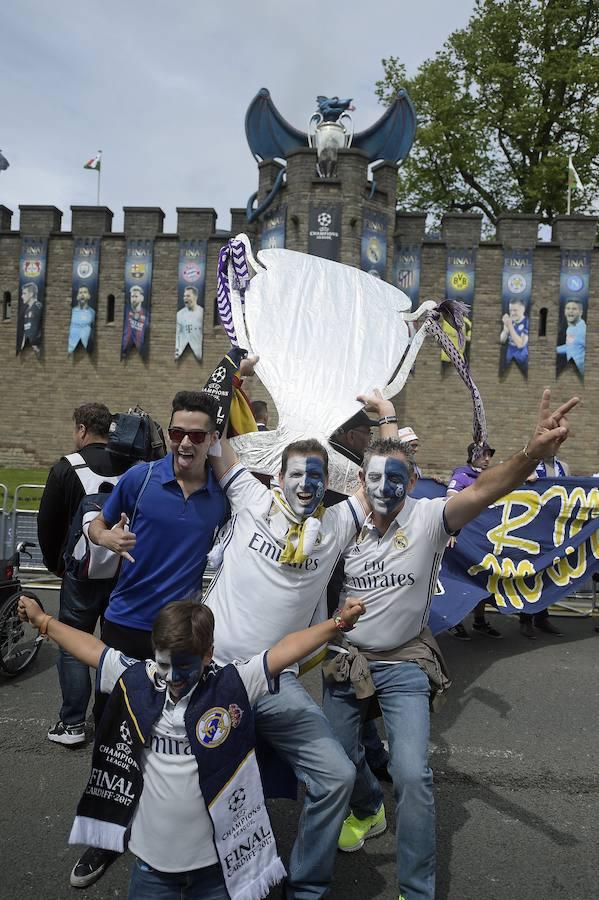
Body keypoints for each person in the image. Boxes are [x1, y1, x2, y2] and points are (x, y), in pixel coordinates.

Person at [322, 389, 578, 900]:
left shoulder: (429, 518)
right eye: (374, 480)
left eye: (398, 481)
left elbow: (483, 489)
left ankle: (415, 890)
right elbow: (384, 464)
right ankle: (369, 807)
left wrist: (530, 453)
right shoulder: (345, 519)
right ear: (360, 484)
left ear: (413, 485)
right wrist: (387, 419)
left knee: (414, 776)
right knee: (332, 761)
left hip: (405, 662)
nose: (385, 487)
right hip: (346, 662)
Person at [17, 592, 366, 900]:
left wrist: (338, 622)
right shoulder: (141, 678)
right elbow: (93, 649)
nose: (171, 678)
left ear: (208, 655)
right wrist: (43, 620)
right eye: (164, 663)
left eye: (183, 667)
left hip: (216, 871)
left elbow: (285, 650)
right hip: (151, 869)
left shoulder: (235, 684)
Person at [204, 393, 399, 900]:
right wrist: (231, 375)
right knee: (193, 781)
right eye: (297, 474)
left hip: (275, 682)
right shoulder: (250, 497)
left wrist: (386, 419)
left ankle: (306, 888)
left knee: (335, 775)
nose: (307, 484)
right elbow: (211, 433)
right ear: (278, 477)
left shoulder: (334, 526)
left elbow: (387, 480)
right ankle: (193, 872)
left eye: (316, 476)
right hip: (215, 677)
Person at [71, 390, 227, 888]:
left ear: (211, 440)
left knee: (168, 734)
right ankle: (106, 837)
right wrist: (106, 536)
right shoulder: (140, 479)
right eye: (176, 432)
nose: (183, 443)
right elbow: (94, 521)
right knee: (114, 735)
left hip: (175, 637)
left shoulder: (221, 499)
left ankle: (167, 828)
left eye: (195, 435)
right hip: (122, 623)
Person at [37, 403, 131, 746]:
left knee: (73, 643)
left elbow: (47, 522)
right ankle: (111, 721)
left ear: (81, 430)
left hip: (79, 572)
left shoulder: (66, 467)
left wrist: (55, 563)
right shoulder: (131, 466)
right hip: (124, 570)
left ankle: (72, 724)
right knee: (116, 646)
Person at [446, 442, 502, 640]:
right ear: (472, 456)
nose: (487, 459)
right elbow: (451, 500)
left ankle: (479, 621)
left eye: (489, 455)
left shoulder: (492, 476)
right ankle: (453, 622)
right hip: (465, 537)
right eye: (483, 455)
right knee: (462, 580)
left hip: (486, 538)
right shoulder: (462, 474)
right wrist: (452, 531)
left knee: (483, 580)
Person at [556, 299, 586, 373]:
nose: (570, 311)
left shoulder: (583, 330)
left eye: (574, 309)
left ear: (581, 312)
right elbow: (570, 346)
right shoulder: (570, 328)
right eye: (568, 308)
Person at [175, 285, 204, 360]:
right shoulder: (180, 314)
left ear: (195, 297)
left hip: (199, 352)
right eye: (184, 296)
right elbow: (177, 334)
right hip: (183, 352)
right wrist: (177, 350)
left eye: (188, 296)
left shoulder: (202, 312)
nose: (185, 298)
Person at [500, 298, 528, 367]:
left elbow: (520, 345)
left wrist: (510, 326)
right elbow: (502, 340)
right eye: (510, 310)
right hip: (509, 359)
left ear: (523, 309)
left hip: (523, 361)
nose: (512, 313)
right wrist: (506, 328)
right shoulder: (510, 321)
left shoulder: (527, 322)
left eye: (515, 310)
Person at [68, 286, 96, 353]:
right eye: (80, 293)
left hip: (87, 346)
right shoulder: (72, 311)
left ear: (89, 296)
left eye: (85, 292)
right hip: (71, 346)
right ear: (77, 296)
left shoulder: (92, 312)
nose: (82, 295)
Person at [18, 281, 43, 353]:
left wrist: (37, 346)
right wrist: (23, 344)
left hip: (37, 347)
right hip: (30, 346)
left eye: (24, 293)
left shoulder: (38, 307)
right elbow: (26, 329)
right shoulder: (27, 310)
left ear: (31, 294)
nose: (22, 296)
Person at [122, 285, 147, 353]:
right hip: (124, 348)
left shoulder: (146, 315)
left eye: (136, 296)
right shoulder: (125, 311)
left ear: (142, 298)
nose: (134, 299)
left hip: (140, 349)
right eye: (132, 296)